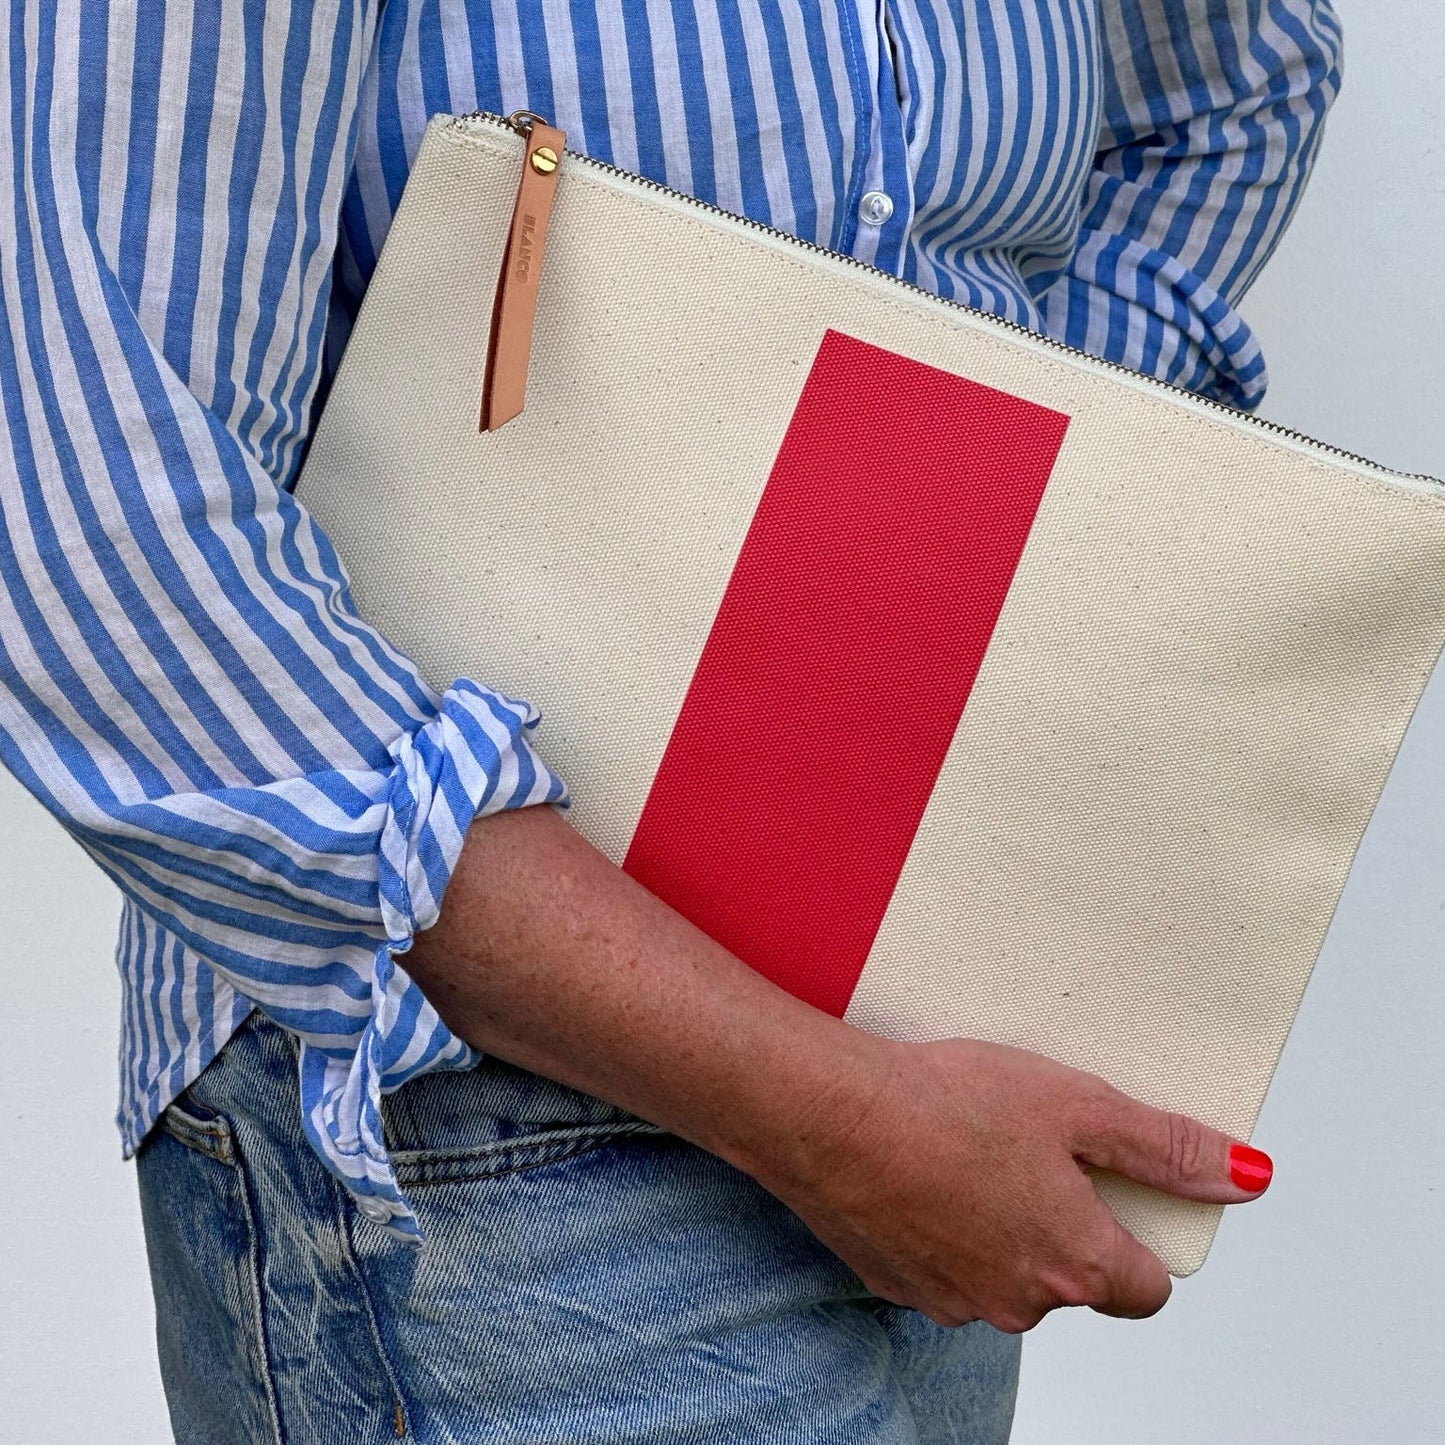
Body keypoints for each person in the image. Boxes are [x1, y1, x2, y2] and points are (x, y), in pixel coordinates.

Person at [0, 1, 1339, 1440]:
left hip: (915, 1044)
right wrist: (832, 1115)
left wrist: (1003, 518)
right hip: (465, 1108)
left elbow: (1232, 84)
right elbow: (94, 524)